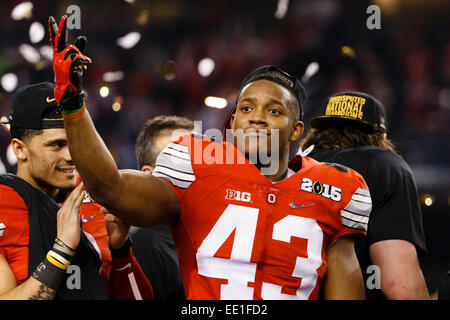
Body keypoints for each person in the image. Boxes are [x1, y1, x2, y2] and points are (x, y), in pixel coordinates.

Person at [49, 15, 372, 299]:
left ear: (295, 130)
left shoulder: (337, 188)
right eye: (246, 108)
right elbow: (111, 187)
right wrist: (73, 104)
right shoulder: (195, 164)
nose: (257, 118)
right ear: (231, 124)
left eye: (274, 111)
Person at [0, 82, 152, 300]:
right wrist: (61, 251)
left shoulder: (98, 204)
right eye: (57, 145)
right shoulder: (2, 206)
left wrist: (121, 250)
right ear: (20, 149)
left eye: (74, 143)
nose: (71, 156)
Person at [295, 91, 429, 299]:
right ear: (381, 135)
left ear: (316, 132)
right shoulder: (384, 165)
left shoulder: (291, 168)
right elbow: (400, 284)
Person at [129, 115, 193, 299]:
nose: (195, 167)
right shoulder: (142, 244)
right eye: (180, 158)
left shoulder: (219, 230)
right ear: (149, 176)